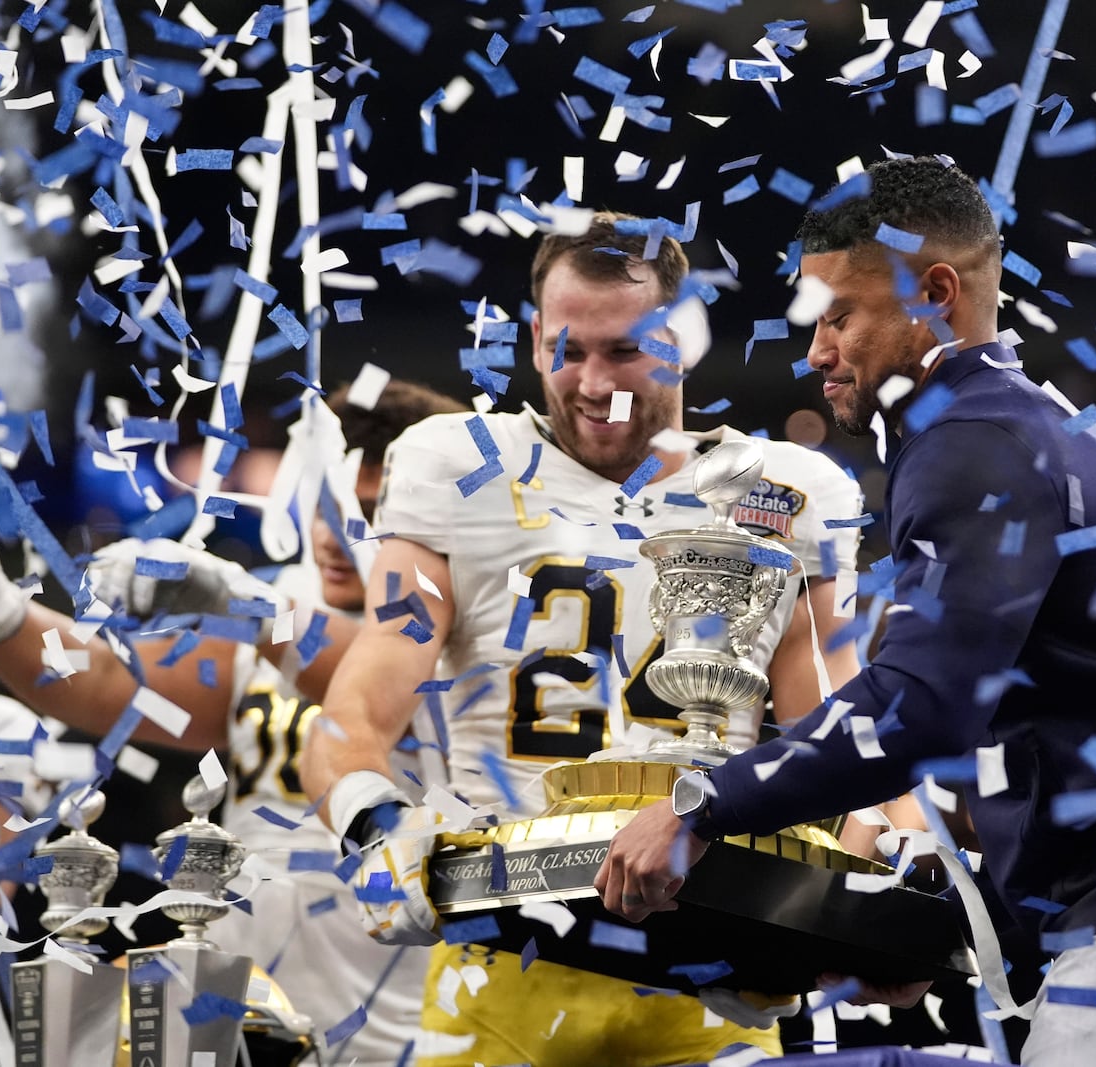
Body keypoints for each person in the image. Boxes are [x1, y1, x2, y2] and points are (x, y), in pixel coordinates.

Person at [598, 155, 1096, 1067]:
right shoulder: (1038, 428)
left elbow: (916, 708)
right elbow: (1072, 731)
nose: (817, 352)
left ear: (935, 292)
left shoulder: (970, 438)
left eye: (841, 316)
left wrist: (705, 800)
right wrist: (948, 925)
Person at [299, 211, 865, 1067]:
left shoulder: (783, 488)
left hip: (712, 962)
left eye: (626, 350)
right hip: (502, 957)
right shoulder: (456, 466)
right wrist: (377, 828)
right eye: (570, 349)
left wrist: (854, 907)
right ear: (533, 339)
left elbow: (840, 746)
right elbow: (353, 718)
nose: (595, 382)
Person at [0, 378, 465, 1067]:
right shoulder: (281, 605)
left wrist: (251, 607)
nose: (335, 536)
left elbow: (364, 668)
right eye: (324, 506)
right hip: (254, 1021)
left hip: (414, 1029)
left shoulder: (470, 639)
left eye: (367, 512)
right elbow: (108, 680)